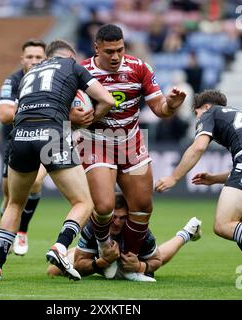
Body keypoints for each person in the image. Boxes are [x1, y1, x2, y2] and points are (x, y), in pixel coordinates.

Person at [0, 39, 115, 281]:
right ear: (70, 55)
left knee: (14, 204)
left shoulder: (30, 73)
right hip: (50, 134)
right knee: (83, 203)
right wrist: (87, 121)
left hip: (19, 135)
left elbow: (19, 110)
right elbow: (108, 100)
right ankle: (60, 247)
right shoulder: (72, 66)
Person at [77, 24, 187, 280]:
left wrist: (170, 105)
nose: (115, 56)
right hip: (96, 141)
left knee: (142, 206)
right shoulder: (81, 72)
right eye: (109, 52)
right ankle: (105, 248)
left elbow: (159, 108)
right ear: (96, 49)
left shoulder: (139, 67)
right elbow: (70, 112)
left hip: (130, 142)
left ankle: (130, 264)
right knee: (104, 206)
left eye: (120, 50)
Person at [155, 89, 242, 287]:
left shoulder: (210, 113)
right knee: (236, 223)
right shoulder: (240, 115)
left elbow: (198, 147)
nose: (197, 119)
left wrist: (173, 177)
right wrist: (215, 178)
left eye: (196, 114)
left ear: (205, 107)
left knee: (222, 225)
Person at [47, 193, 202, 281]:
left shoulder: (141, 232)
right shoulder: (93, 226)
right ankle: (76, 249)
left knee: (154, 253)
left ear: (128, 218)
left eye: (122, 218)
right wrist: (103, 261)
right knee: (52, 271)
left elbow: (156, 260)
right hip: (97, 256)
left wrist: (140, 267)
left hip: (131, 257)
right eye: (113, 217)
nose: (117, 222)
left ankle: (187, 233)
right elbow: (80, 266)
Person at [0, 39, 47, 256]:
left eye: (39, 57)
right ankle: (7, 229)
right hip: (18, 138)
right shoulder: (13, 80)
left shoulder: (53, 79)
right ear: (22, 59)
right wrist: (36, 109)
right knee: (10, 196)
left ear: (46, 59)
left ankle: (22, 232)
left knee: (35, 182)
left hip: (49, 137)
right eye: (30, 57)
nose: (34, 61)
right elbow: (4, 115)